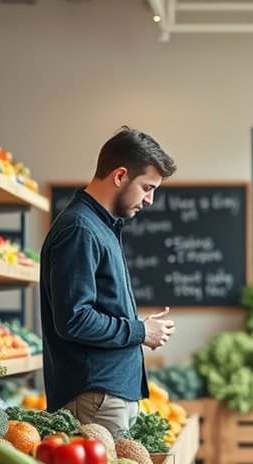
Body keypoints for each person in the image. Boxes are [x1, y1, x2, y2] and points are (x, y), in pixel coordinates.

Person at [40, 126, 177, 438]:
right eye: (146, 187)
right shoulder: (80, 229)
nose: (150, 200)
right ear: (120, 176)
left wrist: (139, 326)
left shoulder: (101, 225)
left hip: (107, 395)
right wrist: (141, 330)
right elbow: (74, 320)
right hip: (96, 397)